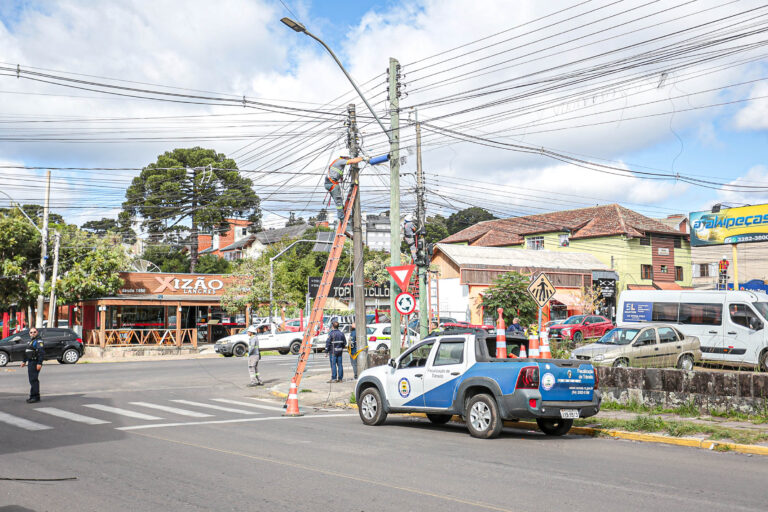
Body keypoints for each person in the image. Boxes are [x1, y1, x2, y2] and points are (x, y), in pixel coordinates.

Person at [21, 327, 44, 403]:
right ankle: (32, 396)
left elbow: (41, 353)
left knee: (34, 380)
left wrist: (39, 363)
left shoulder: (38, 341)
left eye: (34, 332)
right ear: (29, 333)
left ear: (37, 332)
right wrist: (24, 361)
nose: (33, 333)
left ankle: (36, 397)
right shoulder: (31, 341)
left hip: (35, 362)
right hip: (30, 362)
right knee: (32, 380)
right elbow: (27, 351)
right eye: (31, 332)